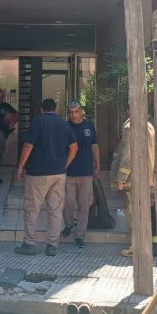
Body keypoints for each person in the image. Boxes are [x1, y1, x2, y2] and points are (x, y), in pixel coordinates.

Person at [14, 98, 77, 257]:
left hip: (38, 173)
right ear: (55, 109)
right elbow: (74, 147)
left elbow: (28, 145)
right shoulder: (64, 124)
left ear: (42, 109)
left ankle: (29, 244)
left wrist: (21, 166)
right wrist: (65, 165)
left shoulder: (38, 122)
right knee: (55, 210)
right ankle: (52, 245)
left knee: (32, 209)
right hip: (58, 173)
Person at [110, 108, 156, 258]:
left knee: (132, 213)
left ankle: (136, 247)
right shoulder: (149, 126)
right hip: (145, 176)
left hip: (132, 179)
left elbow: (127, 155)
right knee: (141, 212)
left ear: (129, 111)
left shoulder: (130, 127)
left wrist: (121, 178)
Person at [62, 100, 99, 248]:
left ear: (81, 111)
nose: (73, 115)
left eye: (76, 112)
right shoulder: (65, 126)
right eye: (71, 112)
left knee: (84, 205)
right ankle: (69, 224)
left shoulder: (89, 126)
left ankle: (80, 235)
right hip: (69, 173)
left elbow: (94, 146)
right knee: (68, 203)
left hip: (86, 172)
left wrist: (97, 165)